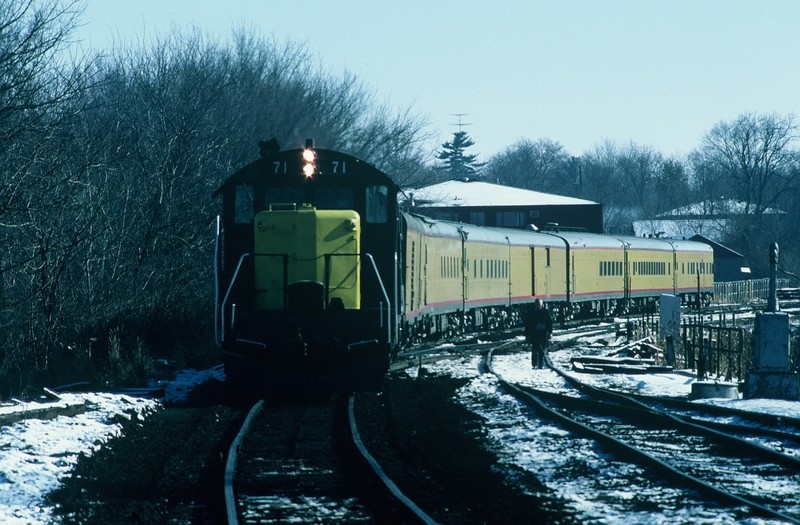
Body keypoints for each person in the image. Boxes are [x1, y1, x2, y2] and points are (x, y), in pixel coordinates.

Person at [523, 299, 552, 368]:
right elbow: (528, 325)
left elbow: (549, 323)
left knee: (542, 350)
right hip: (534, 334)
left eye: (539, 304)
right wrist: (527, 335)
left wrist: (550, 332)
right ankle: (534, 365)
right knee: (535, 350)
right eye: (537, 304)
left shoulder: (546, 312)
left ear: (542, 304)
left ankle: (540, 365)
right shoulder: (531, 313)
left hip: (543, 334)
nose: (538, 306)